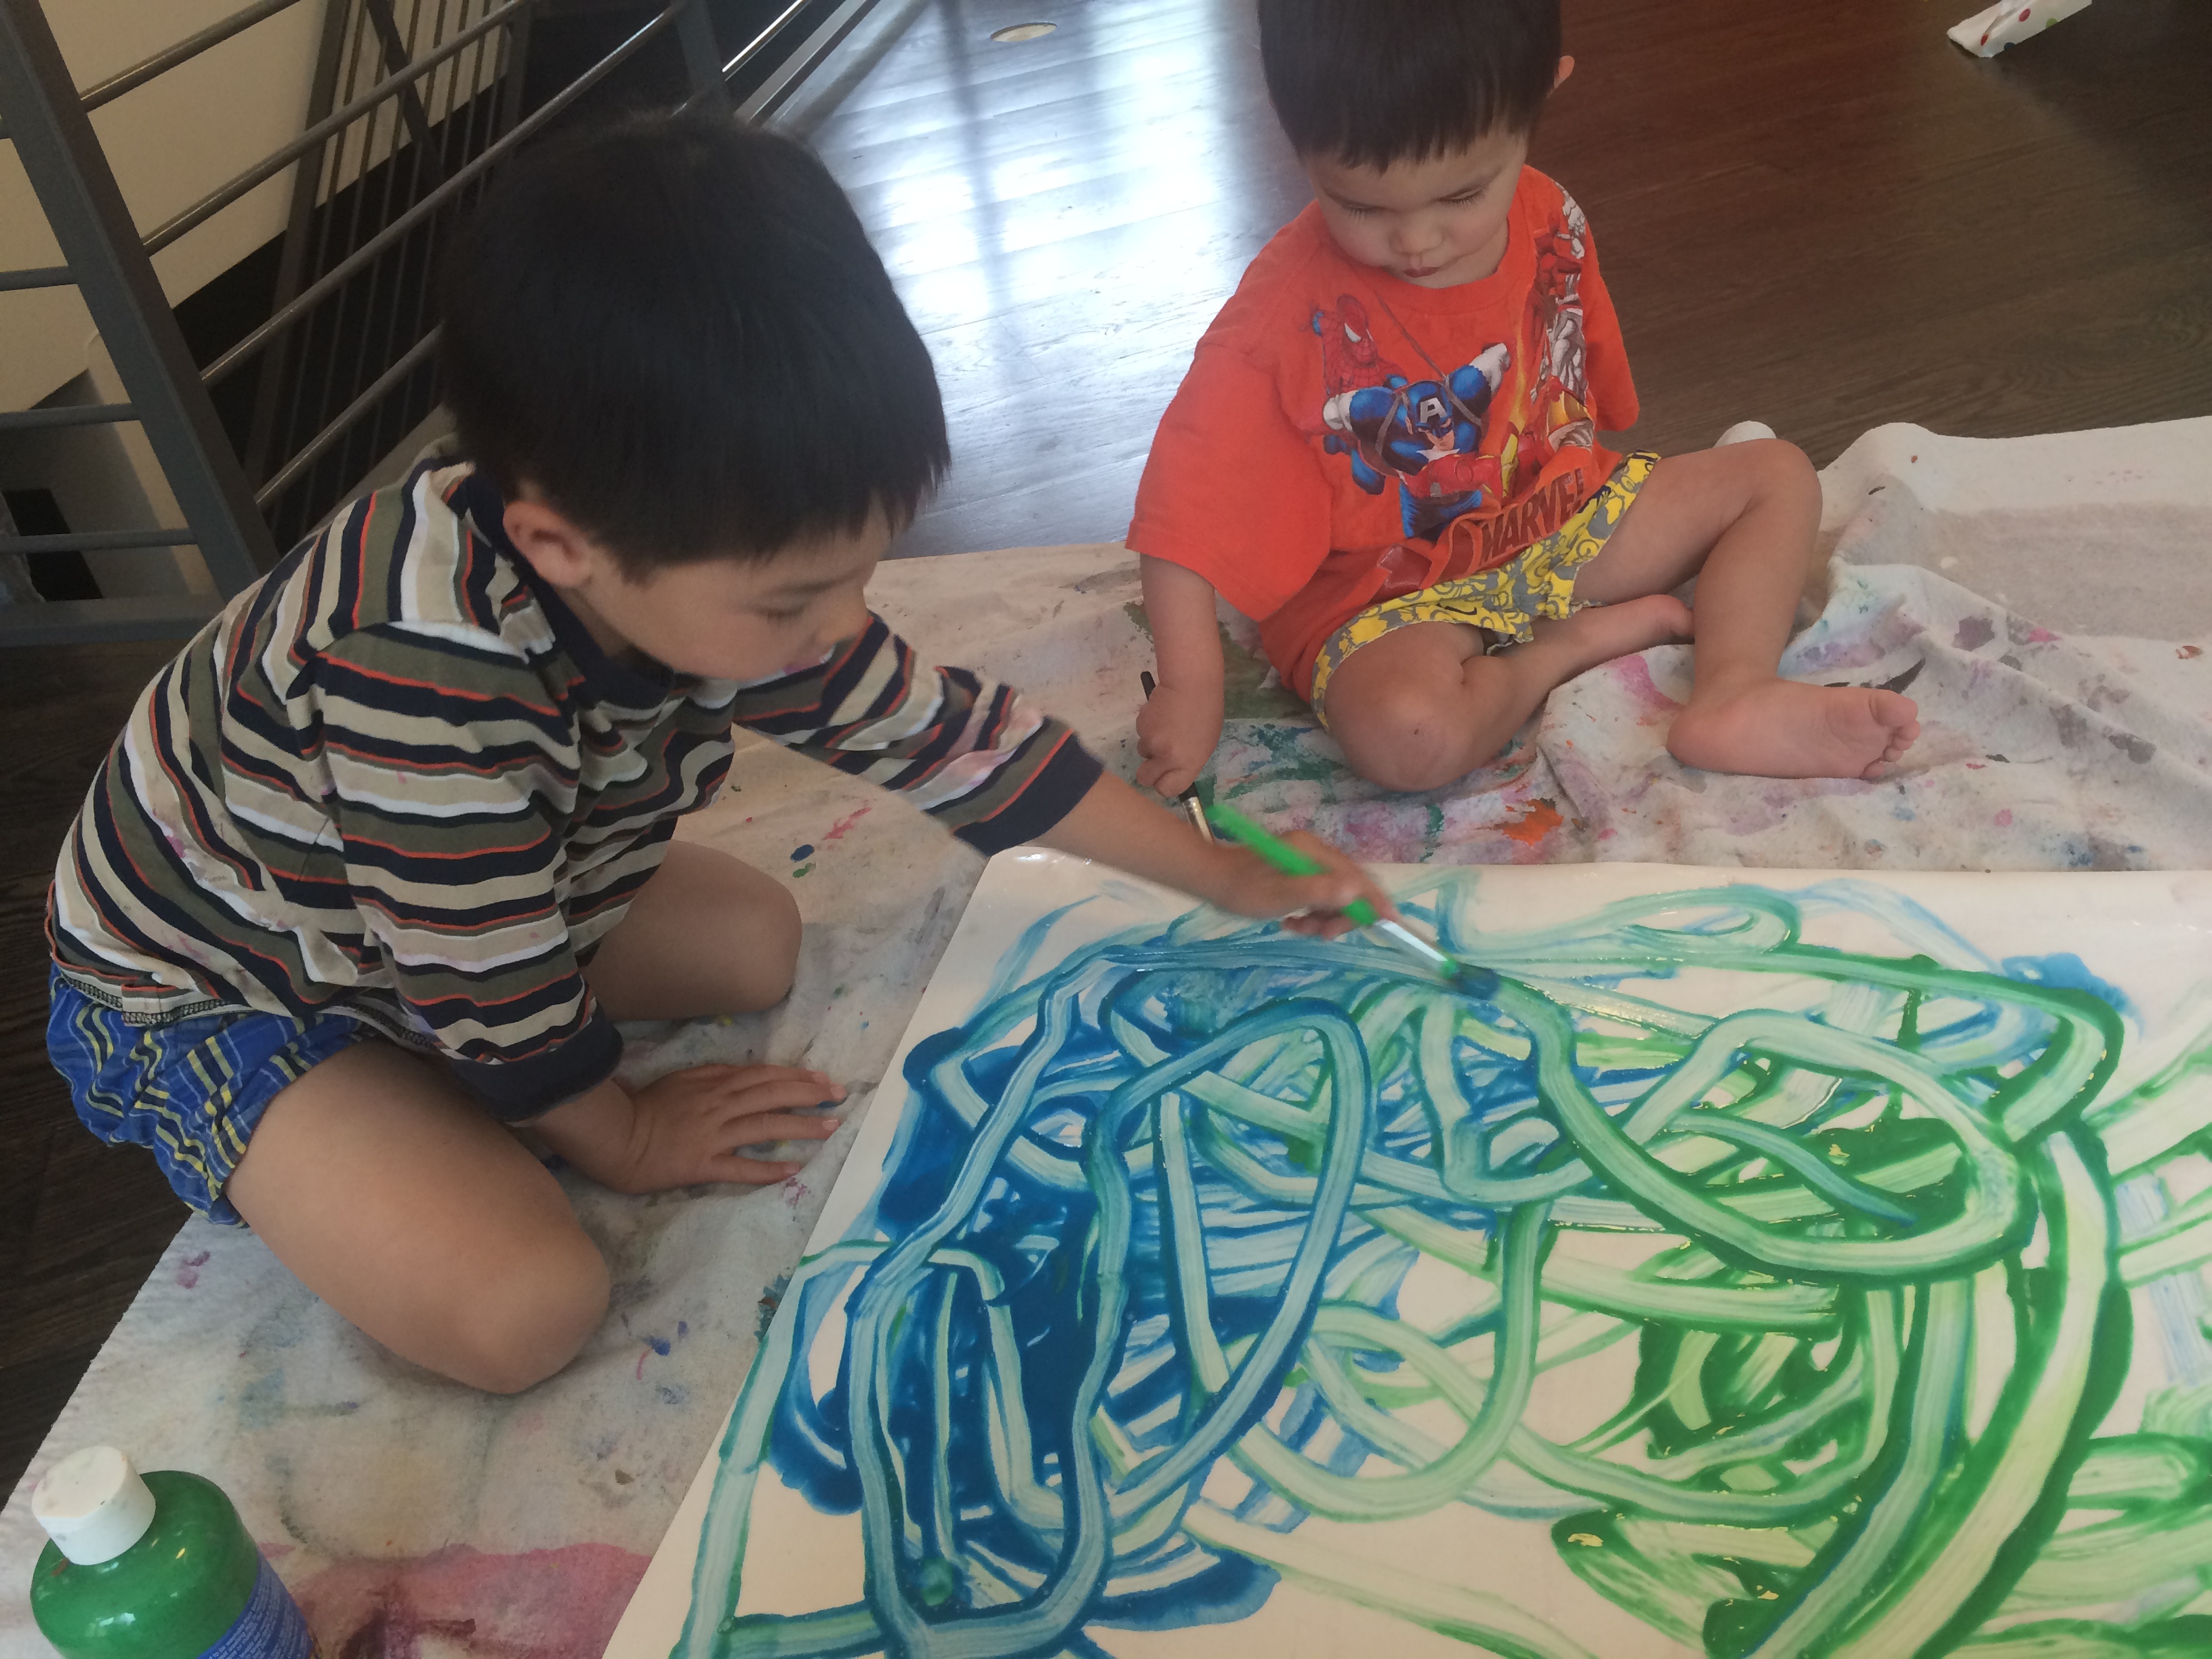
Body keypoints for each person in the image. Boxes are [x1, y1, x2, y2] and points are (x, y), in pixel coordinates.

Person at [43, 115, 1387, 1395]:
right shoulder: (418, 680)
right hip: (232, 979)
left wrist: (1223, 878)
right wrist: (619, 1131)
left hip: (436, 904)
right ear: (562, 545)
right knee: (525, 1306)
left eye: (858, 574)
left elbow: (957, 744)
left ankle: (436, 1081)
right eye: (792, 600)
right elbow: (486, 981)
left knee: (752, 944)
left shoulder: (686, 544)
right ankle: (369, 1094)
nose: (842, 629)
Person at [1128, 0, 1919, 798]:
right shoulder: (1277, 322)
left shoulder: (1551, 217)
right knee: (1410, 737)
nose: (1416, 241)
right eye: (1360, 205)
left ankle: (1733, 692)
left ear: (1543, 95)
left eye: (1461, 196)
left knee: (1777, 474)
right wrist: (1191, 689)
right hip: (1391, 598)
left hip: (1557, 523)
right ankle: (1565, 648)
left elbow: (1578, 382)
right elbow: (1181, 516)